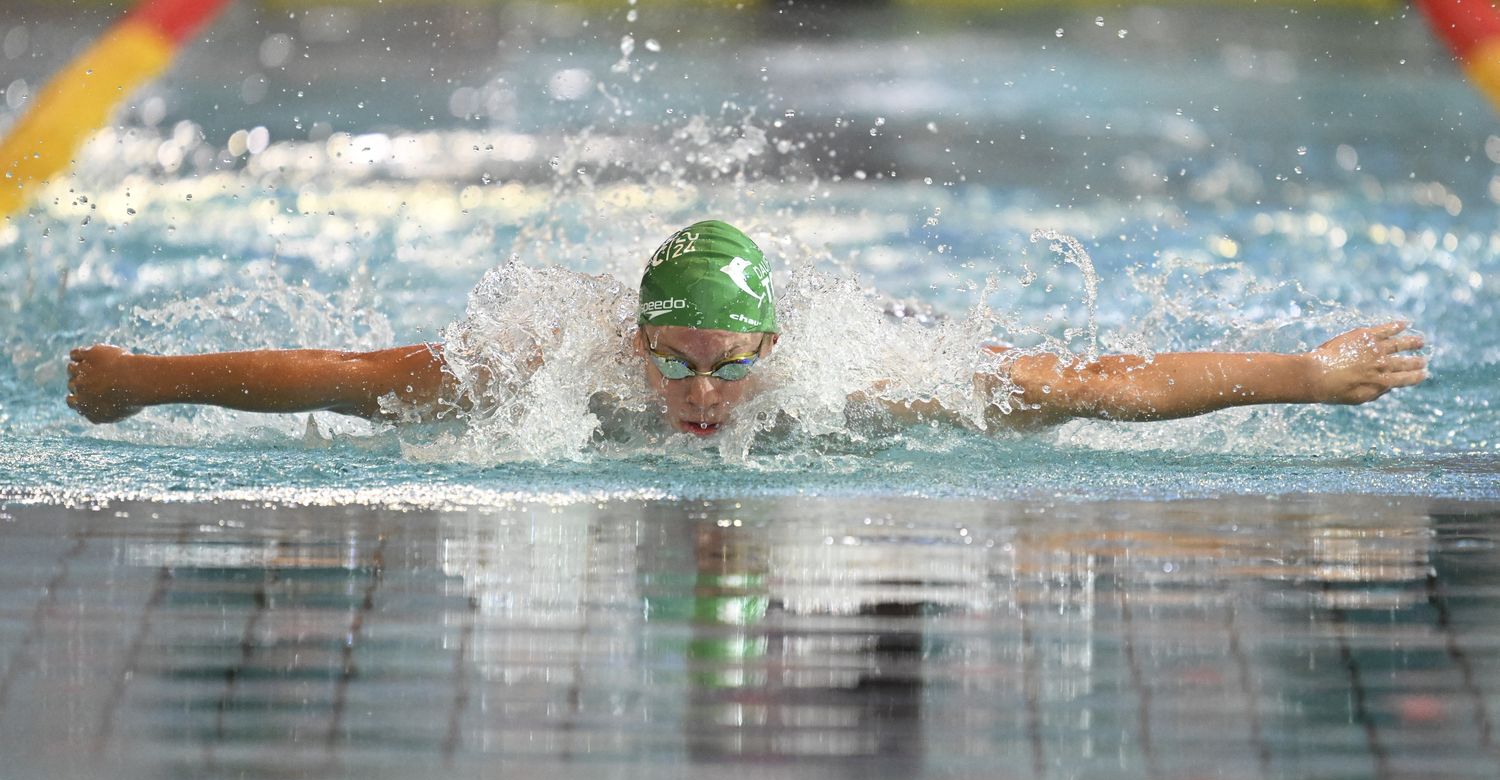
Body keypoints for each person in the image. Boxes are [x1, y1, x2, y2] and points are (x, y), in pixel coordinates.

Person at [66, 219, 1428, 436]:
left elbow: (1102, 385)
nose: (698, 392)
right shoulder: (552, 367)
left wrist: (1302, 375)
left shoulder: (867, 382)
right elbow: (341, 376)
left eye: (725, 363)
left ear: (773, 350)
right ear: (634, 337)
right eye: (673, 360)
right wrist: (138, 382)